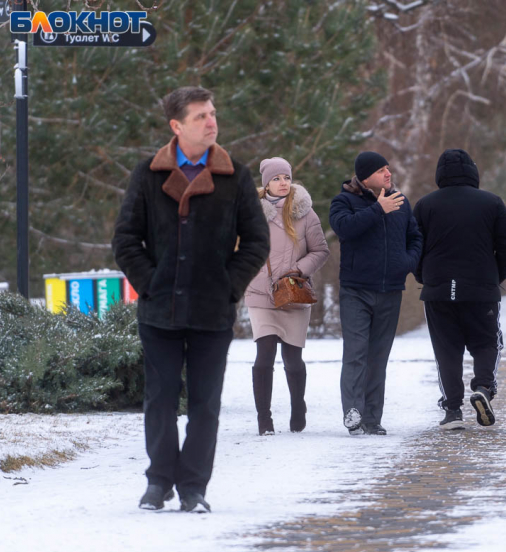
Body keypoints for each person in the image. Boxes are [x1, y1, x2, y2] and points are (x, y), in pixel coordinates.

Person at [113, 86, 269, 513]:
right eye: (201, 116)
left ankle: (194, 488)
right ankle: (159, 481)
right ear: (177, 126)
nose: (212, 122)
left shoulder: (234, 174)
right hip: (159, 311)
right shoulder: (148, 173)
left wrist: (228, 285)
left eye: (213, 113)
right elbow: (125, 240)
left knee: (205, 405)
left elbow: (257, 242)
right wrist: (151, 282)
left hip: (212, 311)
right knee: (160, 401)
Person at [413, 149, 506, 430]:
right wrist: (496, 276)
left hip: (438, 289)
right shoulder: (492, 203)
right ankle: (483, 387)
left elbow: (413, 247)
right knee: (486, 342)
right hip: (481, 287)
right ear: (473, 172)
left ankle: (452, 411)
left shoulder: (424, 205)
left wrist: (425, 276)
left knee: (446, 349)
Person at [329, 151, 422, 435]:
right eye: (381, 170)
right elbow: (343, 228)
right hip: (356, 291)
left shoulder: (401, 203)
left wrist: (406, 263)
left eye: (388, 169)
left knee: (378, 357)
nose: (388, 173)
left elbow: (415, 238)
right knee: (355, 354)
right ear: (365, 177)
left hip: (390, 290)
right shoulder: (344, 201)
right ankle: (353, 413)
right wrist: (377, 209)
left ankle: (371, 418)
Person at [243, 158, 329, 435]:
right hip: (260, 293)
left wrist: (299, 269)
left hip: (293, 292)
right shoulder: (250, 212)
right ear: (266, 183)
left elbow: (320, 251)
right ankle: (264, 419)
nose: (283, 183)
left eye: (287, 178)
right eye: (277, 178)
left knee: (293, 360)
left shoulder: (305, 213)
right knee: (264, 357)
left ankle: (297, 407)